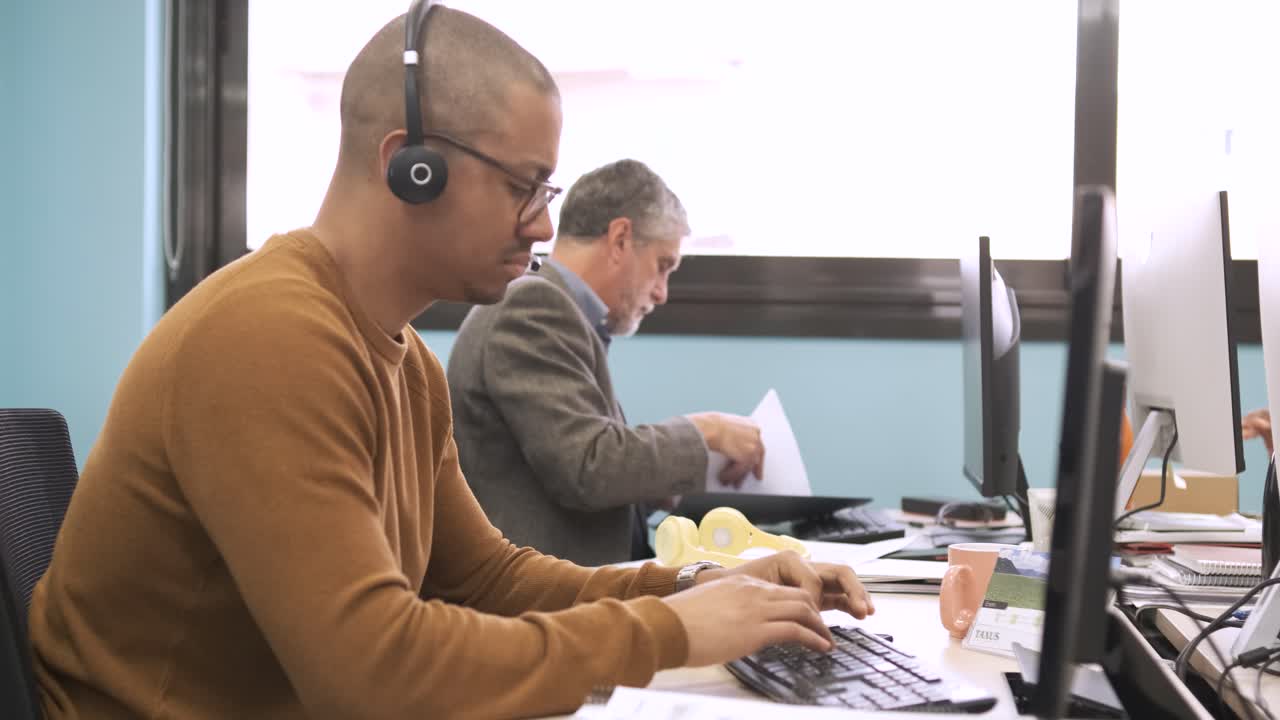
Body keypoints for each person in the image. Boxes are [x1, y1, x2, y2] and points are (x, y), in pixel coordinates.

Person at [27, 5, 871, 719]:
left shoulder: (403, 362)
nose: (544, 226)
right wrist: (672, 632)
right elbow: (371, 672)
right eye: (523, 186)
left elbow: (486, 579)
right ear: (411, 168)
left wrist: (698, 588)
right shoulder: (268, 336)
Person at [447, 159, 764, 565]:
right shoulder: (533, 306)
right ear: (620, 239)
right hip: (541, 594)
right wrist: (707, 430)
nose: (662, 293)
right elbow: (587, 468)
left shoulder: (564, 315)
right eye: (662, 266)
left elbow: (562, 477)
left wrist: (654, 491)